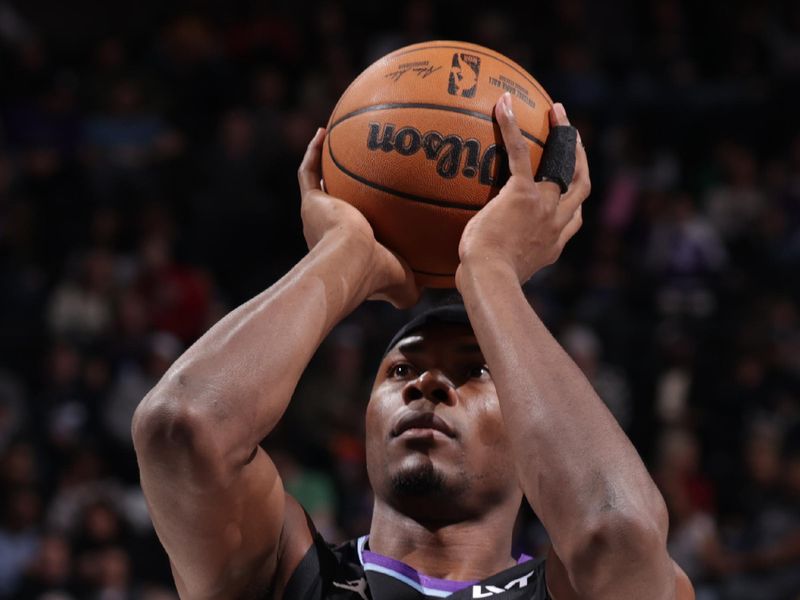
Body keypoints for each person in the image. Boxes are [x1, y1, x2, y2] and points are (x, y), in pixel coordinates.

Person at [132, 93, 695, 599]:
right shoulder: (285, 575)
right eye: (400, 370)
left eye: (474, 370)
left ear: (532, 430)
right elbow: (182, 425)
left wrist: (490, 270)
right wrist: (346, 252)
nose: (426, 383)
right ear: (364, 418)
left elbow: (620, 533)